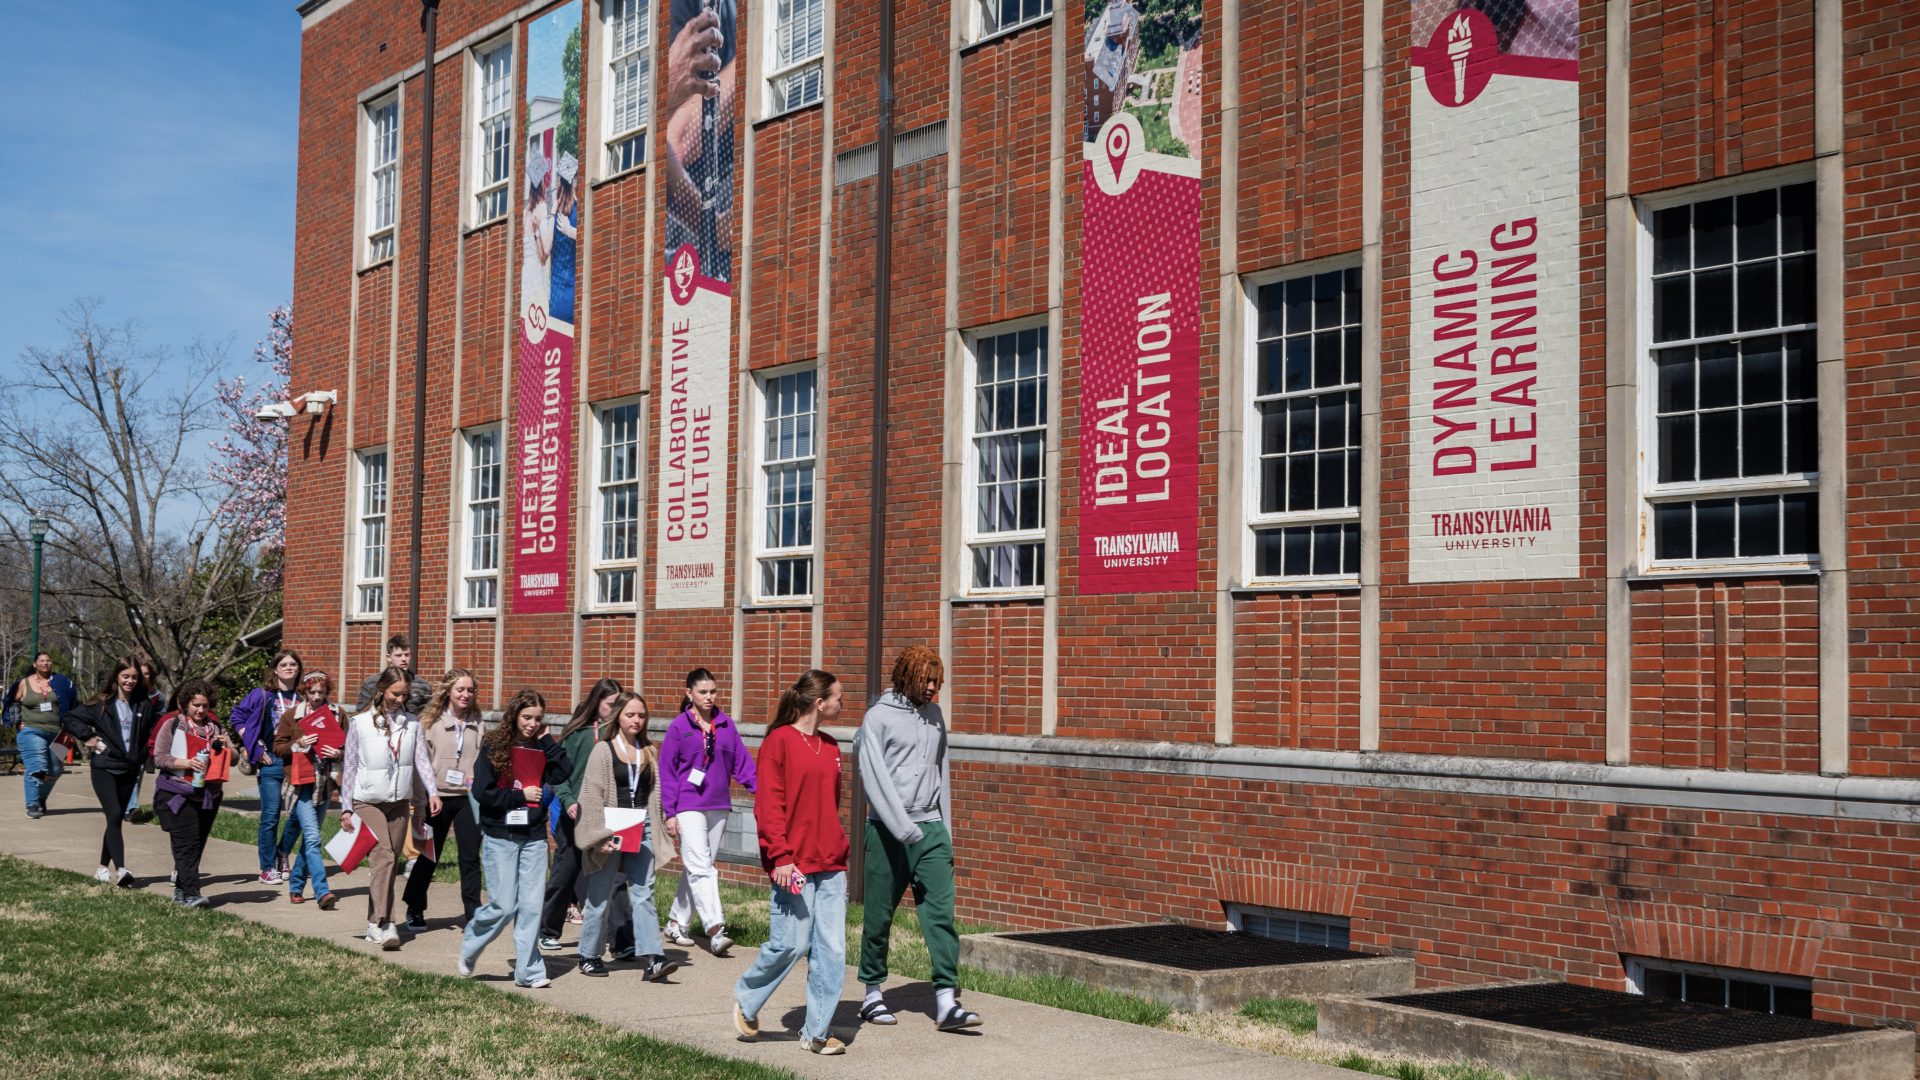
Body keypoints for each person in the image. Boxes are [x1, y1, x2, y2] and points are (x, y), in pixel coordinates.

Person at [855, 646, 981, 1031]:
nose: (932, 688)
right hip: (888, 831)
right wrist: (901, 827)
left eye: (936, 682)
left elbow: (941, 771)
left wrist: (944, 827)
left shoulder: (936, 715)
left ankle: (946, 1002)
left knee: (941, 917)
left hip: (931, 830)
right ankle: (872, 995)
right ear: (907, 676)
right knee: (878, 917)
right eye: (926, 680)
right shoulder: (877, 718)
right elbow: (872, 778)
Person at [733, 670, 850, 1055]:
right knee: (791, 945)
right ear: (819, 702)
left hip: (830, 861)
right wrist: (780, 856)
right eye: (837, 697)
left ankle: (817, 1032)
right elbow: (769, 806)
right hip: (793, 865)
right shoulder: (778, 743)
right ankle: (748, 1000)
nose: (841, 703)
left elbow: (828, 805)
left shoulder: (832, 747)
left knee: (831, 951)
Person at [460, 689, 571, 988]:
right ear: (514, 715)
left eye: (538, 719)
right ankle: (472, 942)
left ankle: (529, 972)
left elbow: (564, 771)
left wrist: (548, 741)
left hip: (534, 835)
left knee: (532, 906)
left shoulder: (541, 747)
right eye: (526, 717)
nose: (532, 724)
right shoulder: (494, 745)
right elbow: (482, 791)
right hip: (500, 835)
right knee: (503, 905)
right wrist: (519, 795)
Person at [572, 691, 681, 981]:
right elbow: (591, 795)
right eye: (630, 714)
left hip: (641, 826)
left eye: (641, 715)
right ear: (618, 716)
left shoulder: (649, 751)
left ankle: (653, 958)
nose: (636, 720)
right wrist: (597, 836)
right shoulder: (603, 750)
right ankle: (589, 954)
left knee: (644, 893)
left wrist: (662, 821)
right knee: (601, 895)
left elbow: (654, 794)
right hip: (611, 827)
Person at [660, 667, 756, 955]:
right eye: (703, 692)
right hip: (688, 805)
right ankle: (715, 929)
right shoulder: (679, 727)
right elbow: (667, 772)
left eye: (713, 691)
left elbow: (743, 765)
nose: (709, 697)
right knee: (702, 867)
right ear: (689, 693)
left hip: (718, 805)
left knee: (697, 867)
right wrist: (669, 812)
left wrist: (765, 793)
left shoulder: (726, 725)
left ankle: (677, 922)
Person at [339, 666, 436, 950]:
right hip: (366, 800)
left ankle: (373, 923)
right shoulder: (360, 723)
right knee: (384, 857)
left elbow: (421, 763)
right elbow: (351, 766)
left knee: (387, 865)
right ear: (382, 691)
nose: (400, 699)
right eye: (396, 693)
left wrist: (432, 793)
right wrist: (346, 806)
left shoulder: (412, 724)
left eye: (405, 695)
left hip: (398, 802)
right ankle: (386, 922)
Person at [541, 677, 625, 950]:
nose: (614, 711)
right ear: (596, 702)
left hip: (609, 815)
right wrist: (568, 801)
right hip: (575, 815)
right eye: (610, 705)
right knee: (566, 872)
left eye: (617, 706)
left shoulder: (621, 738)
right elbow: (559, 775)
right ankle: (548, 929)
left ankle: (621, 938)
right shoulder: (578, 735)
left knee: (615, 877)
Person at [61, 658, 159, 887]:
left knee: (114, 820)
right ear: (117, 676)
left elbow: (150, 733)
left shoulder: (143, 704)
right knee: (115, 814)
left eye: (134, 677)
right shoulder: (102, 703)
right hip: (104, 766)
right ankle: (121, 869)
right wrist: (88, 736)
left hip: (129, 768)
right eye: (126, 676)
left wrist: (141, 754)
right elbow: (69, 718)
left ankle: (102, 868)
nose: (130, 681)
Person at [402, 668, 486, 929]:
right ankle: (415, 907)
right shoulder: (430, 722)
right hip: (436, 796)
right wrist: (423, 798)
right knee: (429, 855)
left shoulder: (477, 721)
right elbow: (421, 763)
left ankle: (472, 913)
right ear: (448, 691)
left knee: (470, 857)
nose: (466, 694)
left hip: (467, 799)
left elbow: (482, 759)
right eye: (460, 689)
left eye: (470, 690)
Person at [151, 680, 229, 907]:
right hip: (177, 794)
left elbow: (232, 759)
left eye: (205, 705)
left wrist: (226, 747)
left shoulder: (215, 727)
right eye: (196, 705)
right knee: (187, 843)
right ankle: (192, 892)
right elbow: (159, 757)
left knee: (197, 844)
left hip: (207, 795)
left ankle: (182, 893)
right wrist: (186, 762)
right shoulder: (172, 724)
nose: (201, 710)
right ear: (186, 703)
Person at [230, 650, 303, 884]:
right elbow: (237, 717)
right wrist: (254, 747)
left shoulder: (303, 698)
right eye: (284, 664)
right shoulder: (262, 695)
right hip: (270, 760)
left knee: (298, 814)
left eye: (293, 664)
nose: (289, 668)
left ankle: (283, 852)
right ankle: (267, 867)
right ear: (275, 669)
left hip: (296, 761)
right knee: (270, 815)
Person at [272, 670, 342, 909]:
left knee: (308, 842)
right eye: (312, 692)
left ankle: (296, 887)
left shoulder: (337, 713)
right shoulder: (292, 715)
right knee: (313, 837)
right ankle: (323, 892)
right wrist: (297, 744)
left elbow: (349, 745)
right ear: (304, 691)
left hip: (324, 784)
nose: (316, 696)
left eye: (321, 692)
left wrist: (339, 753)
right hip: (301, 783)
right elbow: (278, 747)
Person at [5, 651, 77, 818]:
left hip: (59, 732)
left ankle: (41, 798)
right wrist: (17, 722)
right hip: (31, 731)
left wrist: (71, 727)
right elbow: (12, 702)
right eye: (42, 661)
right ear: (35, 665)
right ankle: (32, 805)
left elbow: (73, 703)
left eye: (48, 660)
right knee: (37, 767)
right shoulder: (24, 683)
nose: (46, 663)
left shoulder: (61, 682)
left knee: (56, 769)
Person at [355, 634, 433, 714]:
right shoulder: (372, 683)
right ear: (389, 657)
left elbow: (428, 716)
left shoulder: (423, 685)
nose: (403, 659)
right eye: (398, 655)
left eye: (407, 655)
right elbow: (361, 712)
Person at [549, 154, 579, 325]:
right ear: (574, 181)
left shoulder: (556, 213)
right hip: (571, 291)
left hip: (556, 293)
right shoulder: (578, 209)